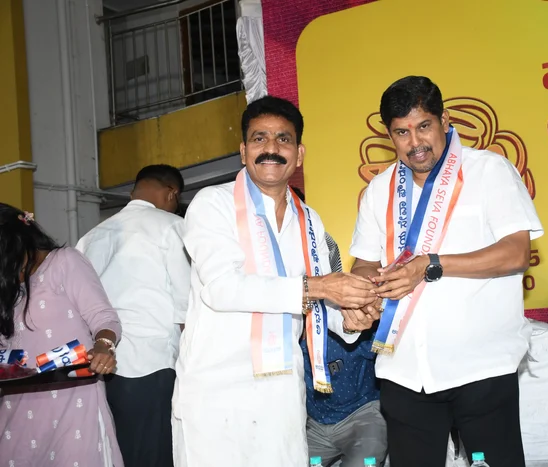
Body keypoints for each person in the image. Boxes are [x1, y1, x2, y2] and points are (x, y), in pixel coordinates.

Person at [172, 95, 379, 467]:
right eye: (259, 138)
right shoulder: (213, 204)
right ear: (243, 151)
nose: (271, 148)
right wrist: (320, 287)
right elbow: (222, 288)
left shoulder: (309, 219)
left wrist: (351, 318)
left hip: (281, 393)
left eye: (283, 139)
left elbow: (321, 303)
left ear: (299, 155)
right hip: (217, 390)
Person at [348, 76, 543, 467]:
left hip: (482, 367)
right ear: (389, 135)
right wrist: (366, 293)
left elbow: (516, 252)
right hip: (404, 371)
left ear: (445, 120)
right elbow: (365, 262)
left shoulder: (488, 170)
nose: (415, 142)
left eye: (424, 126)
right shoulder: (379, 190)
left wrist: (431, 265)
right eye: (402, 132)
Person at [76, 164, 190, 467]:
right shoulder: (172, 226)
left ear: (132, 193)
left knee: (117, 453)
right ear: (171, 194)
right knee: (156, 454)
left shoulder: (90, 237)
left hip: (100, 365)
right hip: (154, 364)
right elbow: (186, 305)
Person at [0, 203, 123, 466]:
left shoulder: (64, 262)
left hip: (71, 397)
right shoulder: (7, 284)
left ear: (15, 239)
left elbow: (103, 316)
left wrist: (103, 346)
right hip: (17, 402)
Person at [291, 186, 387, 467]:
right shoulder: (270, 310)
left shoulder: (322, 245)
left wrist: (359, 315)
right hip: (310, 424)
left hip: (361, 415)